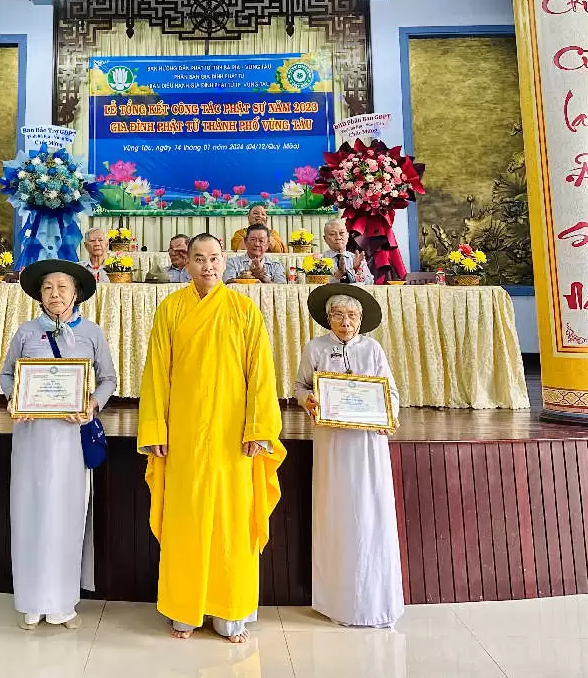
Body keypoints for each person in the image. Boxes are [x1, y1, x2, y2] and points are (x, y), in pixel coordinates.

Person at [137, 233, 284, 642]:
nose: (207, 266)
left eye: (214, 258)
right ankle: (184, 608)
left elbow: (261, 375)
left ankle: (230, 611)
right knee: (185, 519)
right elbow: (156, 373)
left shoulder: (244, 310)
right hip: (183, 432)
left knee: (230, 520)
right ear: (187, 264)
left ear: (225, 261)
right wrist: (155, 428)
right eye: (199, 258)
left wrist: (258, 429)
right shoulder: (170, 309)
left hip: (232, 435)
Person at [0, 260, 117, 631]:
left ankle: (63, 602)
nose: (55, 294)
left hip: (71, 439)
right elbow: (7, 374)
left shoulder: (92, 333)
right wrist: (13, 398)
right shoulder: (25, 332)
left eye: (62, 287)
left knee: (67, 516)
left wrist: (92, 404)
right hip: (32, 437)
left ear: (76, 293)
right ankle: (32, 601)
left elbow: (109, 378)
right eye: (48, 287)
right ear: (39, 294)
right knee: (30, 513)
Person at [295, 283, 403, 628]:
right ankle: (336, 601)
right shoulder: (315, 348)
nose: (346, 322)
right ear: (328, 318)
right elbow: (299, 386)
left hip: (367, 443)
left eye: (352, 316)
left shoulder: (372, 349)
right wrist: (308, 400)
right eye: (339, 315)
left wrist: (389, 416)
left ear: (361, 320)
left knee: (371, 511)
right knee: (336, 511)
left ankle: (376, 603)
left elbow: (390, 392)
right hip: (332, 442)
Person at [322, 219, 370, 284]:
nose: (338, 237)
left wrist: (355, 270)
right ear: (325, 239)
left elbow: (369, 282)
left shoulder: (357, 258)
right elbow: (316, 284)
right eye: (332, 234)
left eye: (341, 233)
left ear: (348, 235)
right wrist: (337, 275)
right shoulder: (319, 261)